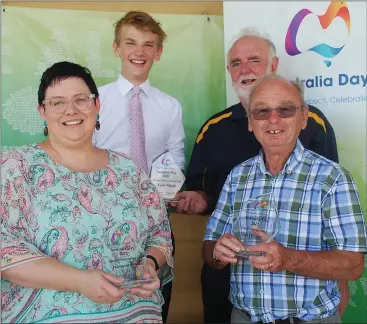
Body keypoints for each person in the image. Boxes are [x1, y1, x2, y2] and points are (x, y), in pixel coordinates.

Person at [170, 28, 343, 323]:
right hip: (229, 285)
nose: (245, 70)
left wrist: (341, 282)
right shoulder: (215, 128)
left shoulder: (312, 123)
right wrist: (198, 200)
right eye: (236, 63)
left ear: (273, 66)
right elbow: (202, 194)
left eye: (254, 60)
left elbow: (334, 215)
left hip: (301, 289)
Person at [0, 61, 173, 323]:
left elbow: (160, 231)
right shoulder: (15, 167)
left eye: (81, 99)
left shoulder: (128, 169)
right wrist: (79, 281)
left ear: (97, 105)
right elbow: (4, 249)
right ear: (42, 111)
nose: (71, 110)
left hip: (137, 313)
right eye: (57, 102)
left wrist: (150, 262)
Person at [203, 74, 367, 324]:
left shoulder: (332, 178)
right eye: (261, 111)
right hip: (243, 318)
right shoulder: (237, 177)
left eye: (286, 109)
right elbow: (209, 246)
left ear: (304, 117)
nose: (273, 119)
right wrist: (217, 252)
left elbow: (353, 265)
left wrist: (287, 258)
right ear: (250, 122)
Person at [92, 11, 184, 322]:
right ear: (117, 48)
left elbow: (176, 157)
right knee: (108, 293)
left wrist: (167, 190)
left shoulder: (170, 107)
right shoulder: (93, 102)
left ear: (158, 52)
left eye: (148, 45)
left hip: (155, 219)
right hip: (104, 218)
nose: (139, 52)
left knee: (157, 295)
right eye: (131, 43)